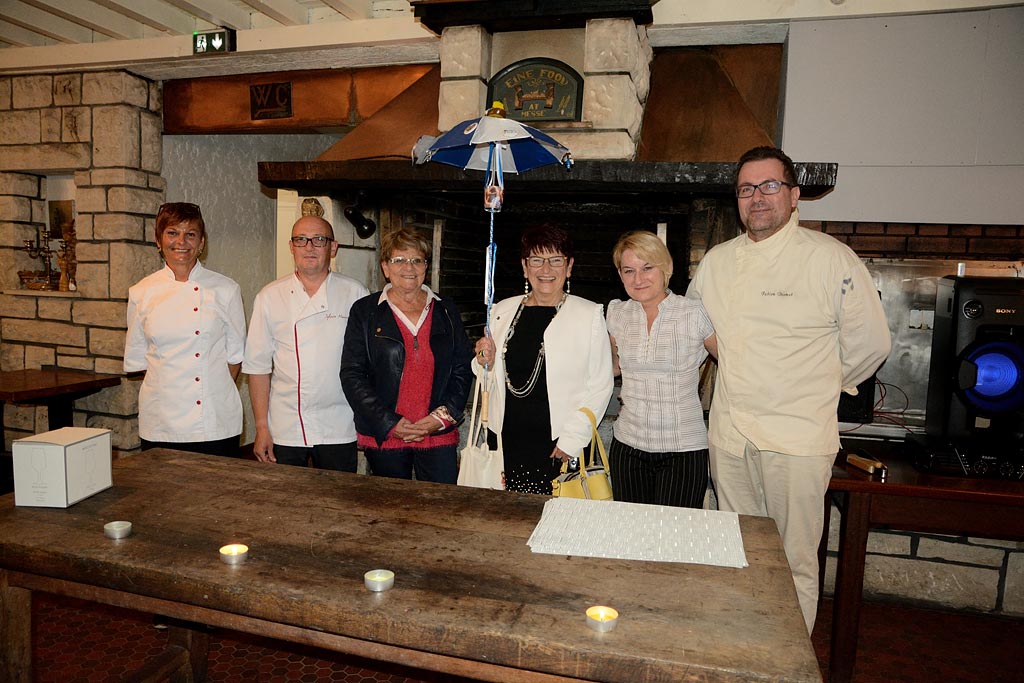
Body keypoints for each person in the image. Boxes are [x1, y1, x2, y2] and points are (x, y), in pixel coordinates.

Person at [686, 146, 891, 632]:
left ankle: (788, 665)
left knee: (794, 562)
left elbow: (870, 345)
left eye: (769, 186)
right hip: (730, 436)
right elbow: (693, 328)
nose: (757, 198)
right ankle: (744, 651)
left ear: (795, 196)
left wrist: (815, 385)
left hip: (797, 442)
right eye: (746, 189)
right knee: (738, 554)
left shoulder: (830, 259)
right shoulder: (716, 262)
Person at [474, 224, 614, 494]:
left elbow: (601, 385)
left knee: (556, 524)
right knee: (511, 520)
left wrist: (572, 440)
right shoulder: (501, 310)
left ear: (569, 266)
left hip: (558, 444)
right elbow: (486, 372)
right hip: (508, 439)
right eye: (537, 260)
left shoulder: (588, 315)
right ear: (525, 267)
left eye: (556, 260)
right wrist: (482, 358)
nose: (546, 269)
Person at [340, 227, 473, 483]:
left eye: (416, 260)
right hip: (387, 435)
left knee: (441, 510)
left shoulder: (446, 309)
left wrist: (440, 418)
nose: (408, 267)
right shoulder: (365, 311)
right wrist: (390, 423)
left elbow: (462, 368)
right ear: (385, 267)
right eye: (399, 260)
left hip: (437, 434)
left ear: (425, 266)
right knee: (390, 512)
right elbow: (352, 374)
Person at [243, 215, 369, 471]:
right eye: (301, 240)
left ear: (333, 248)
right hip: (285, 425)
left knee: (338, 502)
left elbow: (367, 365)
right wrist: (262, 427)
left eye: (319, 240)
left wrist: (365, 421)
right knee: (286, 504)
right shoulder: (269, 296)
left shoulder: (355, 293)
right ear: (291, 247)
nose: (309, 247)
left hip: (340, 424)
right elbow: (258, 367)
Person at [124, 202, 245, 457]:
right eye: (172, 233)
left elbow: (235, 357)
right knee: (164, 495)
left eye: (190, 234)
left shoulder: (226, 289)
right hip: (161, 421)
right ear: (158, 240)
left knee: (218, 493)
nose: (182, 241)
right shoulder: (141, 293)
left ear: (201, 243)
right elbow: (142, 360)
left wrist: (211, 391)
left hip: (214, 422)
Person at [606, 230, 714, 508]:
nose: (638, 279)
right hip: (628, 445)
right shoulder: (617, 313)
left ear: (666, 268)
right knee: (632, 537)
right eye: (628, 270)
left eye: (647, 268)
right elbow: (612, 368)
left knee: (673, 543)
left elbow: (732, 363)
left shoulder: (694, 313)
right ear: (620, 275)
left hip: (683, 450)